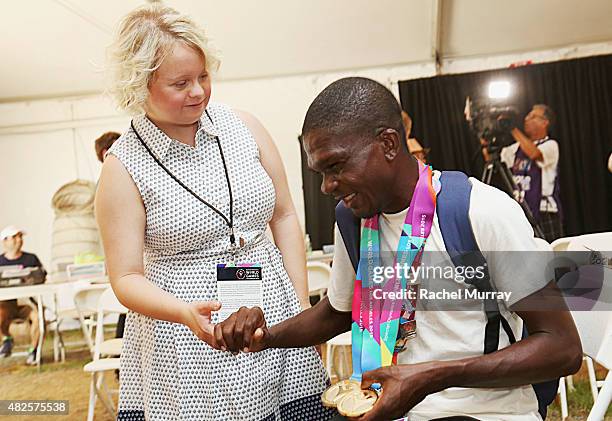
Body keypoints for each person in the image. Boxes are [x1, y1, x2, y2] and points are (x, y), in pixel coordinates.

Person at [212, 78, 583, 420]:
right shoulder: (353, 218)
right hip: (390, 408)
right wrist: (265, 336)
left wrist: (430, 377)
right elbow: (337, 312)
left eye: (336, 166)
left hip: (487, 412)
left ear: (389, 144)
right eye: (320, 173)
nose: (327, 186)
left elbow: (561, 348)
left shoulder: (480, 210)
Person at [95, 5, 331, 420]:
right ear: (139, 86)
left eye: (203, 76)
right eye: (180, 83)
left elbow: (285, 217)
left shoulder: (244, 127)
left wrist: (301, 311)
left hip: (273, 310)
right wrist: (184, 313)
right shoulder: (122, 166)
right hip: (186, 335)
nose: (199, 91)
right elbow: (126, 277)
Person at [482, 104, 563, 242]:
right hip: (521, 210)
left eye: (532, 116)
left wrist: (512, 128)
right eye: (527, 116)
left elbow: (534, 154)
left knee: (552, 257)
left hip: (544, 210)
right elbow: (490, 157)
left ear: (545, 122)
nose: (526, 119)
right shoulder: (515, 148)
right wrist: (484, 133)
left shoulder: (551, 145)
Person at [0, 226, 44, 365]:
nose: (19, 240)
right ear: (5, 241)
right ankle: (6, 340)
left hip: (27, 303)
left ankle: (34, 350)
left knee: (38, 317)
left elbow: (42, 277)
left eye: (20, 237)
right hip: (6, 304)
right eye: (15, 237)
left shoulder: (31, 259)